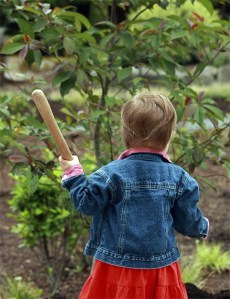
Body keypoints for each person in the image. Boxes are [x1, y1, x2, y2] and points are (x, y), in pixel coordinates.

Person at [59, 91, 209, 299]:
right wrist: (202, 227)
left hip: (115, 267)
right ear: (170, 134)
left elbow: (87, 203)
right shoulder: (179, 178)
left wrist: (74, 174)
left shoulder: (111, 174)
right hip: (160, 270)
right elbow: (188, 221)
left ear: (125, 133)